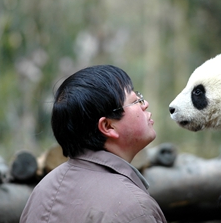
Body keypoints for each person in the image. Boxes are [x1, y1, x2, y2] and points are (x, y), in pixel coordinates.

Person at [20, 65, 167, 223]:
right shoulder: (134, 208)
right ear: (108, 126)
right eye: (135, 101)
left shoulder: (42, 191)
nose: (145, 104)